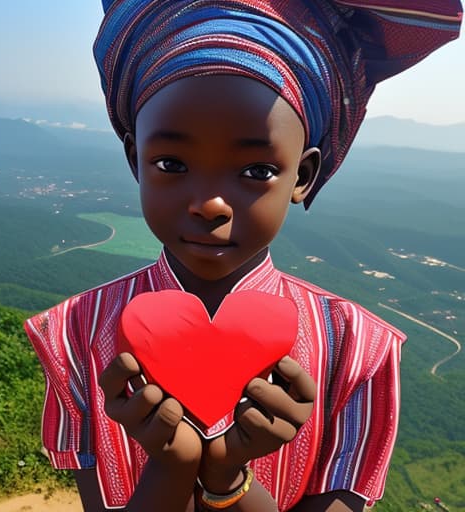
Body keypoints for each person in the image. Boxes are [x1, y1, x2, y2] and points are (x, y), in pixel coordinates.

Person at [24, 1, 463, 511]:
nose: (210, 203)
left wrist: (227, 478)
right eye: (171, 163)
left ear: (303, 175)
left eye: (255, 170)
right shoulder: (72, 338)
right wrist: (175, 465)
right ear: (134, 160)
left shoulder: (358, 353)